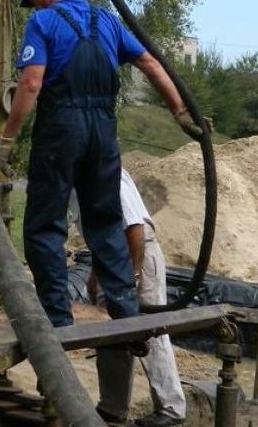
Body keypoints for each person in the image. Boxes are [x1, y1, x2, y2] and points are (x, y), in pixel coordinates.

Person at [0, 0, 202, 330]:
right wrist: (181, 111)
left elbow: (30, 85)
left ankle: (58, 322)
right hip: (103, 132)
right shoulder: (106, 20)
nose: (37, 6)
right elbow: (151, 63)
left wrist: (7, 138)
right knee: (106, 225)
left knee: (45, 227)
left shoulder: (42, 22)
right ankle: (127, 317)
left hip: (61, 129)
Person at [77, 170, 187, 427]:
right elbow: (102, 232)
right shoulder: (76, 180)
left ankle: (171, 409)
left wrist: (134, 276)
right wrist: (96, 271)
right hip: (110, 257)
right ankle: (112, 407)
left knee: (149, 329)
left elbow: (135, 228)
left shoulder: (104, 172)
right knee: (111, 331)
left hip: (137, 251)